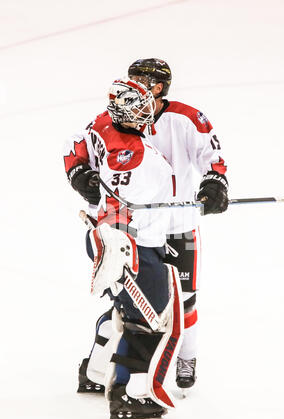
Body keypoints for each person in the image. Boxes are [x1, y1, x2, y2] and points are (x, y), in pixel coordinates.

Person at [65, 58, 228, 396]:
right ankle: (100, 371)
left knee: (183, 301)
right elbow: (76, 148)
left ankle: (186, 358)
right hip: (131, 230)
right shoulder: (115, 116)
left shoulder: (186, 118)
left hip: (178, 225)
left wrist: (215, 182)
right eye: (133, 78)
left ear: (160, 86)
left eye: (145, 80)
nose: (137, 84)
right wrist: (80, 174)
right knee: (130, 307)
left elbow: (213, 157)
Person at [64, 78, 184, 419]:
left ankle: (95, 372)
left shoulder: (100, 123)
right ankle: (130, 395)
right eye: (137, 109)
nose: (146, 113)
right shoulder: (140, 160)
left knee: (122, 306)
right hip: (131, 246)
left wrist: (78, 172)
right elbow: (130, 211)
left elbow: (71, 145)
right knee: (151, 320)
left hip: (104, 237)